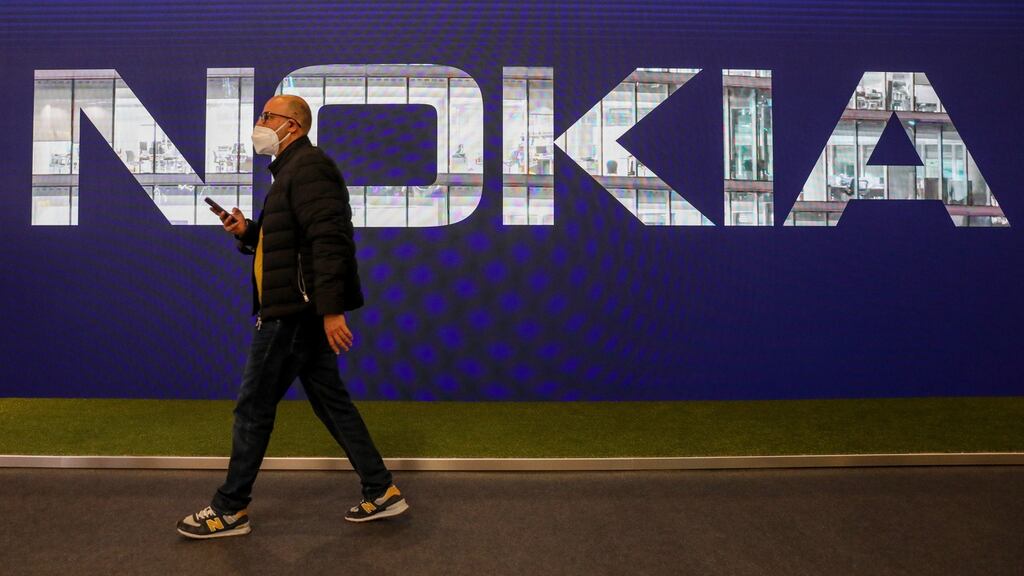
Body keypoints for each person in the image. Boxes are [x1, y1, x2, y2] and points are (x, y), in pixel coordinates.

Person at [177, 94, 407, 539]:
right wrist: (248, 232)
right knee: (331, 403)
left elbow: (330, 241)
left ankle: (230, 509)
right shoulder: (289, 171)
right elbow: (290, 246)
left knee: (253, 408)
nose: (260, 123)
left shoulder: (309, 168)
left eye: (268, 116)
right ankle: (381, 491)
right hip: (298, 309)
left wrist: (332, 310)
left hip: (292, 314)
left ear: (293, 126)